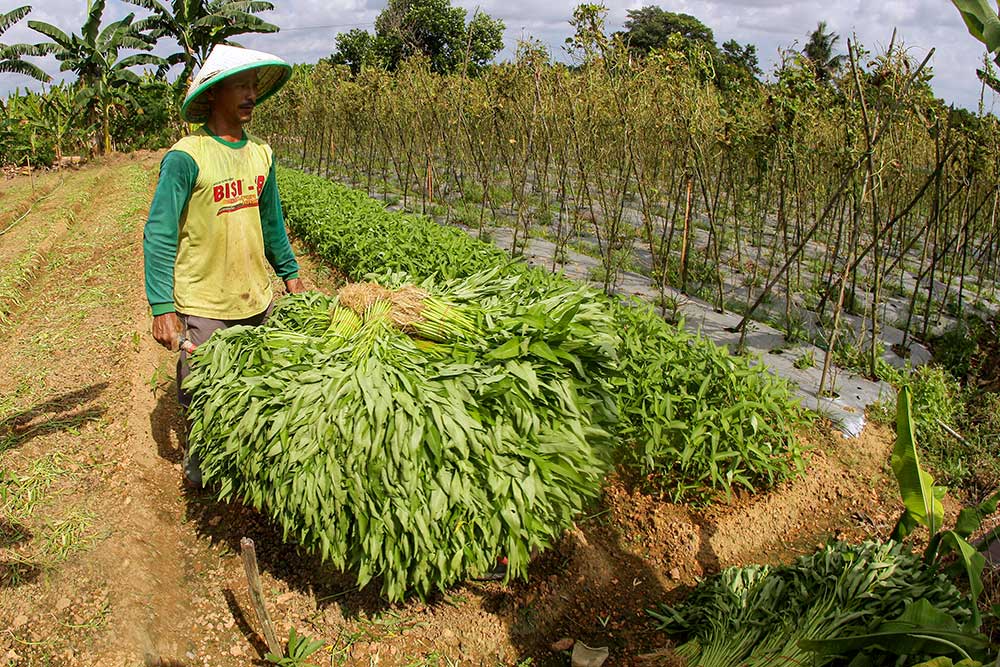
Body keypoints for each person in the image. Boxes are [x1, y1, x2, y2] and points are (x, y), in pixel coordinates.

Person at [143, 44, 305, 487]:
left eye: (253, 86)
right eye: (240, 86)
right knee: (203, 389)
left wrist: (290, 275)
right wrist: (162, 306)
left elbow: (271, 221)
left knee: (260, 388)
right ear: (214, 94)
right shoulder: (186, 156)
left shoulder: (261, 154)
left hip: (257, 296)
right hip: (205, 301)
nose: (250, 94)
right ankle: (202, 461)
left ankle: (251, 466)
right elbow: (158, 233)